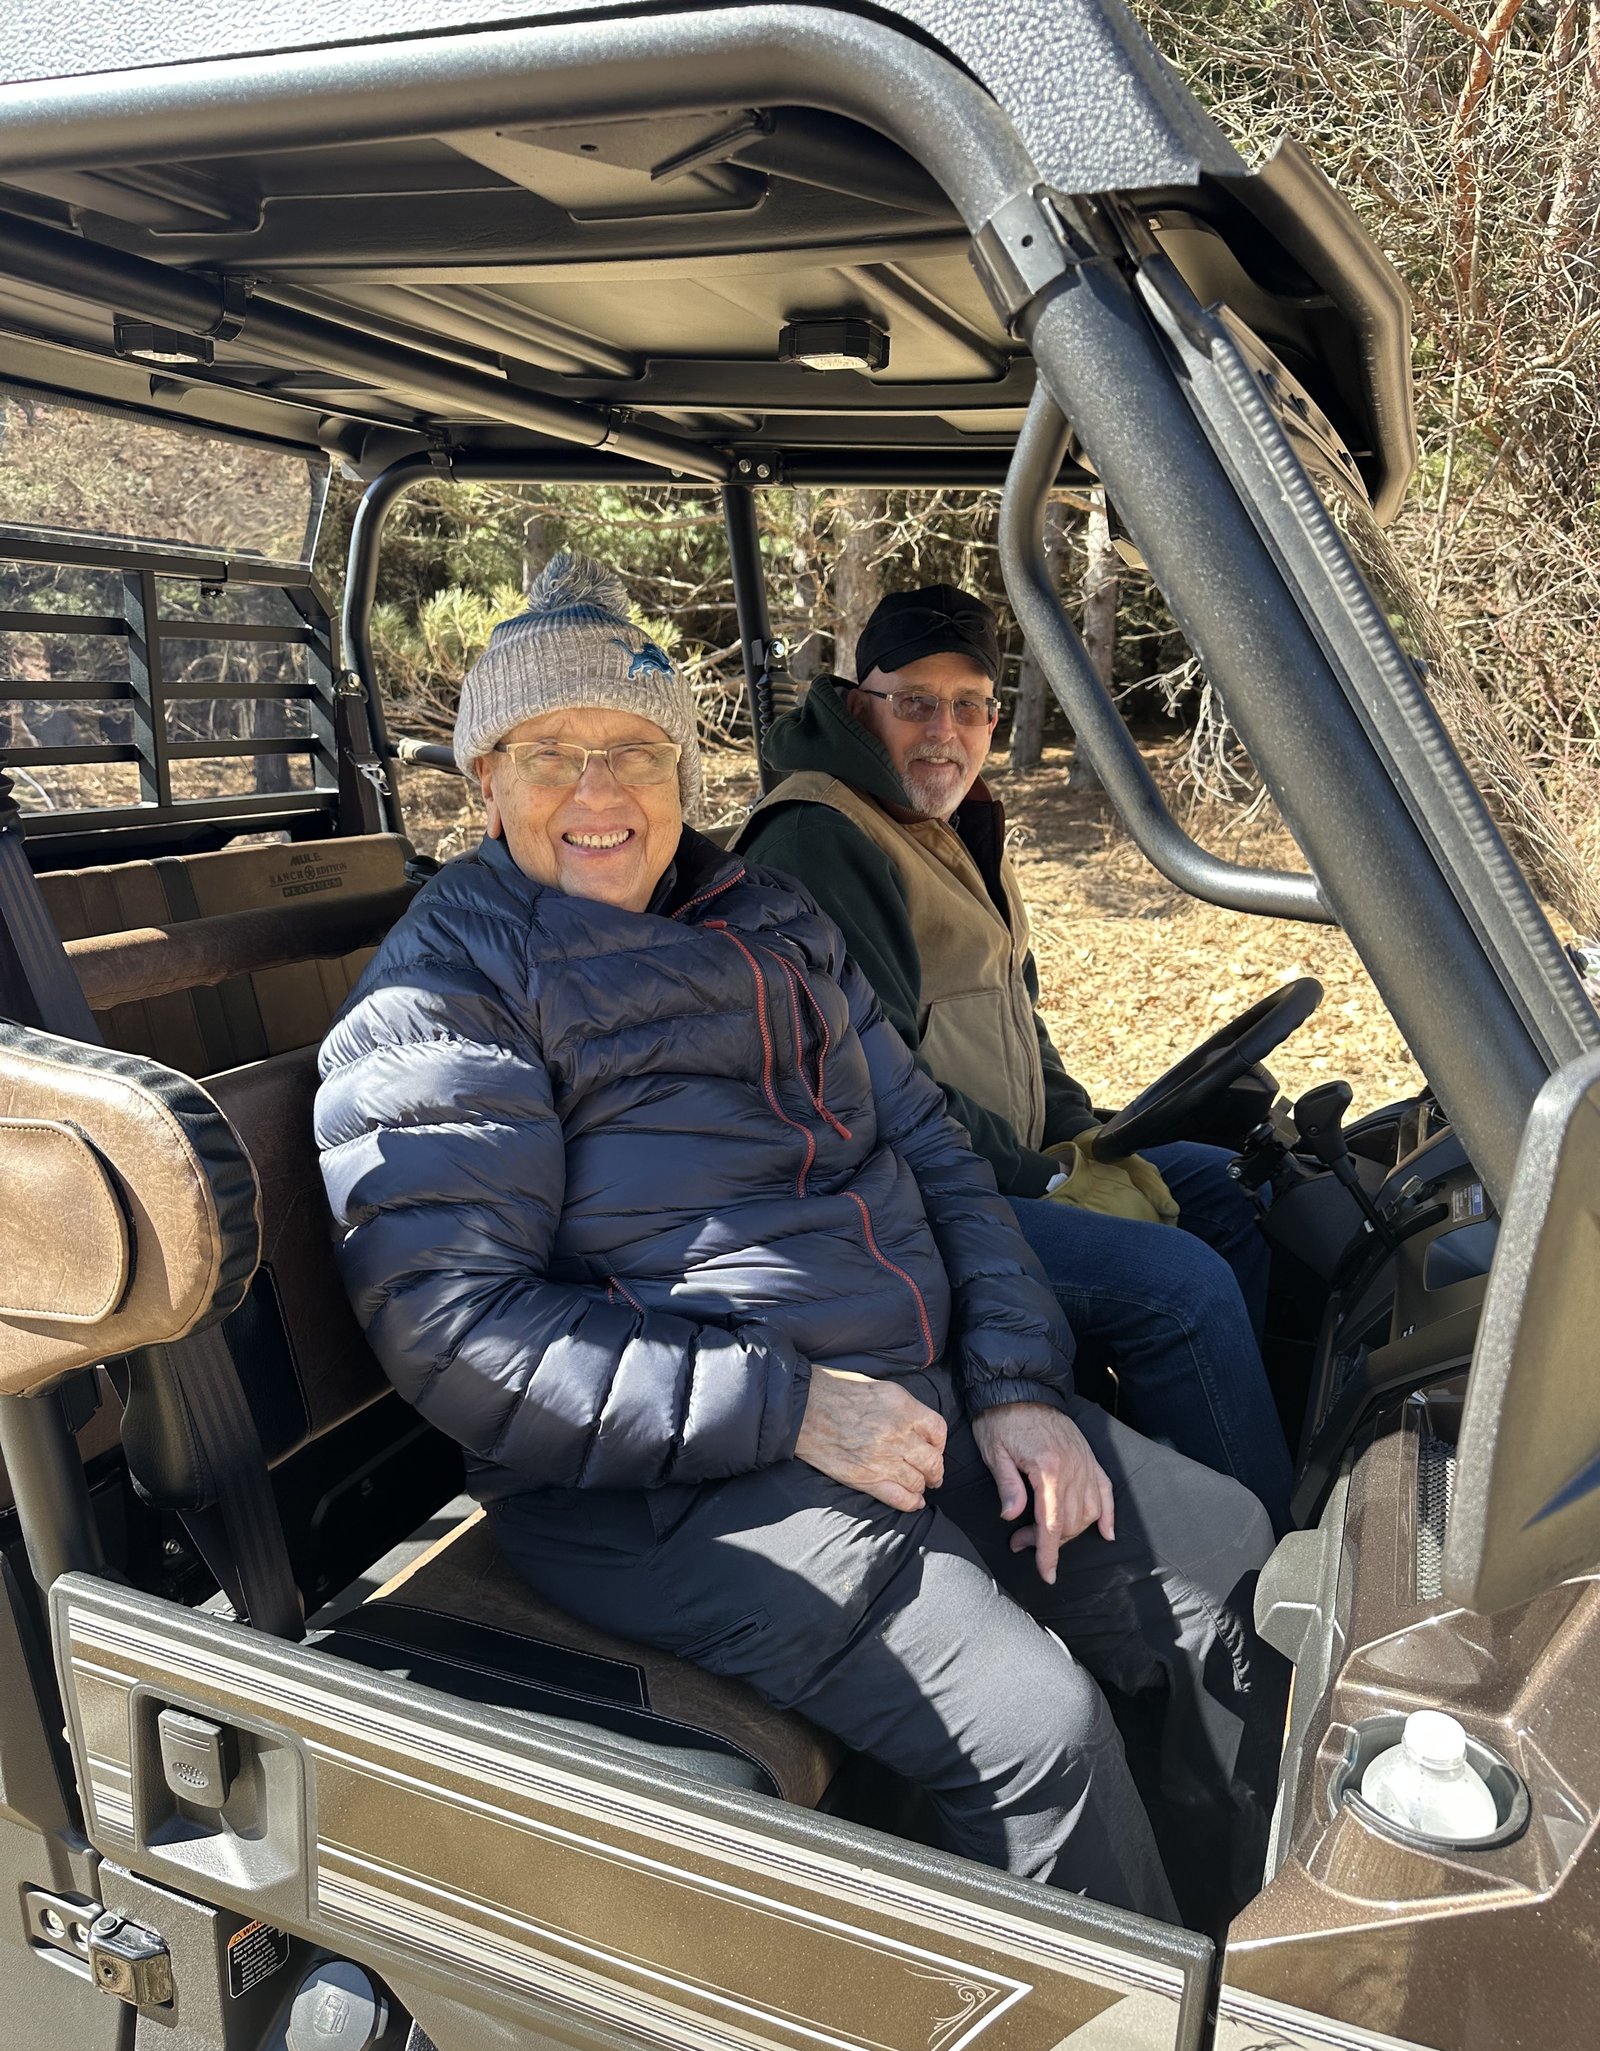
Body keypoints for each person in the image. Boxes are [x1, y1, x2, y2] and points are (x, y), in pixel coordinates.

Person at [316, 553, 1285, 1932]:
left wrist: (1016, 1382)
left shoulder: (766, 917)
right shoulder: (444, 996)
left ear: (685, 773)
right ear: (483, 780)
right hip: (665, 1486)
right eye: (551, 755)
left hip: (920, 1399)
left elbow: (937, 1157)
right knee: (1038, 1729)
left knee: (1228, 1552)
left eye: (637, 751)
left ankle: (1245, 1941)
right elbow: (461, 1333)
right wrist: (793, 1408)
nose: (601, 792)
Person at [735, 584, 1294, 1533]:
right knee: (1182, 1286)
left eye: (970, 705)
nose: (944, 730)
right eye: (914, 701)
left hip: (996, 1167)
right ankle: (1266, 1546)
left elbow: (1016, 1018)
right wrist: (1044, 1181)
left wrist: (1089, 1141)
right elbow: (875, 1087)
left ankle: (1228, 1452)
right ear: (860, 700)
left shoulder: (942, 823)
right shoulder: (821, 835)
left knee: (1228, 1186)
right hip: (906, 1207)